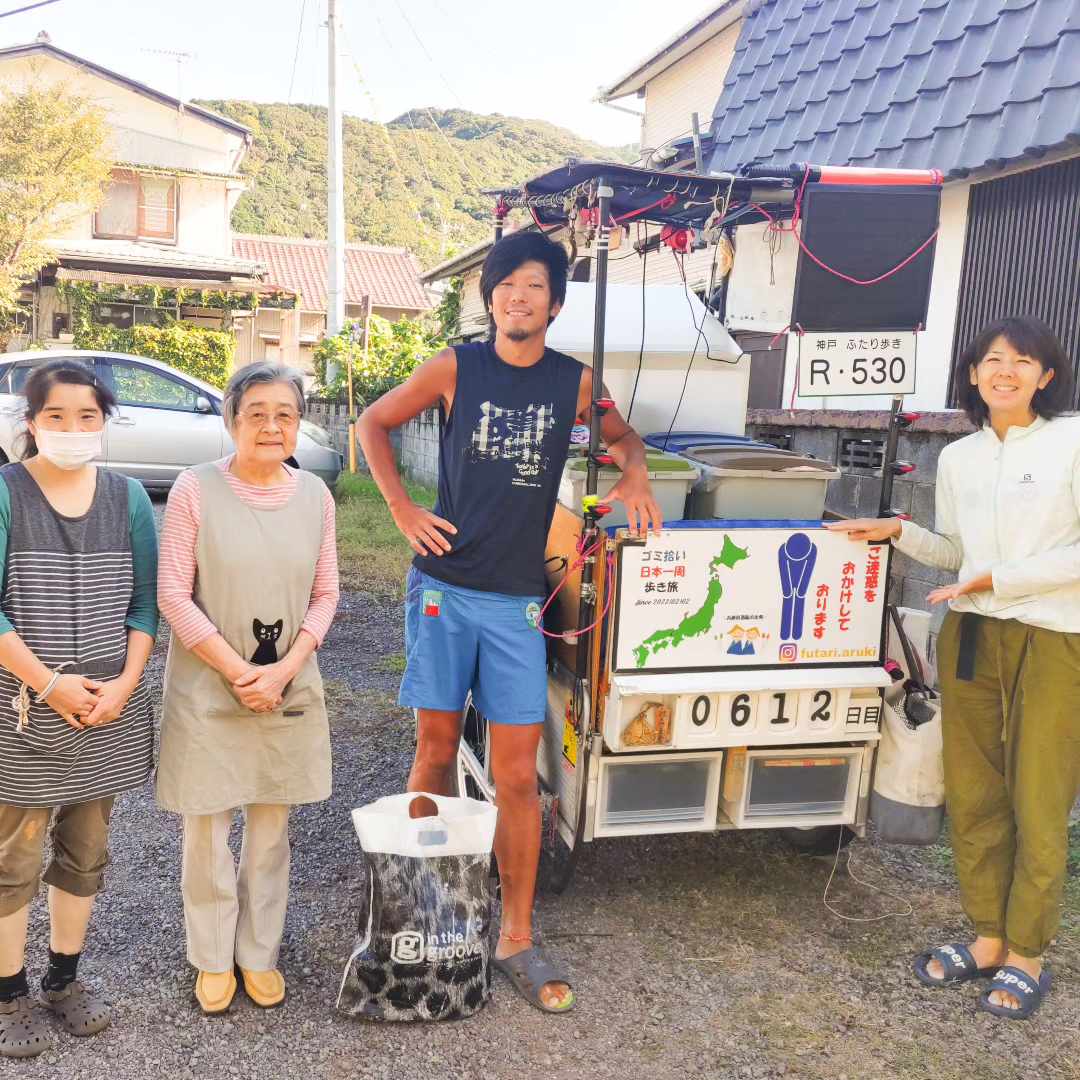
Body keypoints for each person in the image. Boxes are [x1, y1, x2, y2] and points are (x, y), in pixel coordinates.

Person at [357, 231, 661, 1014]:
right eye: (505, 285)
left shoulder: (574, 382)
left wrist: (633, 475)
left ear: (555, 304)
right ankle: (415, 909)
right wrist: (400, 508)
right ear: (489, 297)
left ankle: (517, 932)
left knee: (519, 775)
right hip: (444, 588)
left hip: (518, 600)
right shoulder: (456, 367)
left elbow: (625, 438)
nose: (517, 296)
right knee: (433, 750)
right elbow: (373, 423)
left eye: (534, 286)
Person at [827, 316, 1079, 1021]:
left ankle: (1029, 953)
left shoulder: (1072, 440)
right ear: (972, 375)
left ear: (1046, 376)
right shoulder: (961, 457)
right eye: (993, 360)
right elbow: (954, 553)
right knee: (973, 794)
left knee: (1038, 796)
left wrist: (997, 578)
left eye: (1023, 362)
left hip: (1055, 637)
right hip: (972, 634)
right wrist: (898, 533)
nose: (1006, 371)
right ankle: (989, 937)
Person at [157, 363, 339, 1015]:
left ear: (298, 423)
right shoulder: (195, 489)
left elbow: (326, 595)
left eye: (284, 413)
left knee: (271, 826)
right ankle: (211, 957)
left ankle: (258, 953)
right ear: (232, 419)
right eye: (255, 411)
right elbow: (173, 596)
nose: (270, 425)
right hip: (210, 687)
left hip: (286, 687)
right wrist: (239, 672)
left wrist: (283, 670)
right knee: (206, 827)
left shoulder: (316, 496)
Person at [0, 360, 158, 1057]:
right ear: (30, 423)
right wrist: (49, 685)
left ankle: (64, 980)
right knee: (13, 859)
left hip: (105, 709)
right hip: (24, 706)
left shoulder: (128, 500)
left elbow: (145, 606)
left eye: (87, 416)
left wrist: (123, 686)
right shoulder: (6, 494)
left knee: (87, 852)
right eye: (55, 416)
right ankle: (9, 994)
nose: (71, 429)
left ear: (104, 423)